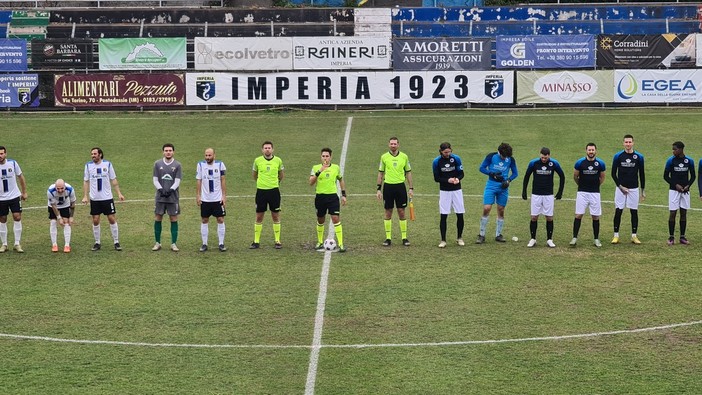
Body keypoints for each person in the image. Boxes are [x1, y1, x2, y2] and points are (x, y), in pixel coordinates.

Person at [82, 147, 125, 251]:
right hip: (95, 199)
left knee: (111, 218)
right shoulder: (88, 166)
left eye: (95, 154)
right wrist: (85, 195)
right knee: (95, 220)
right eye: (92, 154)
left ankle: (116, 241)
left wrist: (119, 193)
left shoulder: (108, 164)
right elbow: (86, 181)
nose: (93, 155)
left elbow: (113, 179)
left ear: (100, 154)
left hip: (107, 198)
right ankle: (97, 242)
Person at [521, 147, 565, 248]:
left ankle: (549, 239)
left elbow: (562, 176)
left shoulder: (554, 163)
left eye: (545, 158)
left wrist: (560, 191)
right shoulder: (533, 163)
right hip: (536, 194)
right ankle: (533, 239)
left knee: (549, 217)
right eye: (542, 157)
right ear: (540, 155)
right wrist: (524, 190)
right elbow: (526, 176)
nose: (544, 159)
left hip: (548, 194)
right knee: (534, 217)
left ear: (549, 155)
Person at [477, 142, 518, 244]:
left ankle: (498, 235)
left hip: (503, 187)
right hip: (491, 185)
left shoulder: (510, 159)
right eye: (503, 156)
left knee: (501, 210)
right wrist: (492, 174)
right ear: (499, 152)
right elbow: (481, 168)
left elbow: (515, 173)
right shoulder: (491, 156)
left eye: (507, 157)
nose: (505, 158)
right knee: (487, 208)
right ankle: (481, 235)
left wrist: (508, 180)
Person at [376, 137, 413, 247]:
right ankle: (388, 238)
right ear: (389, 145)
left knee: (401, 211)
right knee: (388, 212)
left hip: (400, 187)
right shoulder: (384, 157)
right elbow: (380, 173)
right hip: (388, 187)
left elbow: (408, 173)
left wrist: (411, 188)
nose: (393, 145)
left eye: (395, 144)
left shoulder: (404, 157)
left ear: (398, 145)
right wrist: (378, 189)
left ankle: (404, 238)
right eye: (391, 144)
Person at [310, 147, 346, 252]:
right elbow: (311, 182)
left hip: (332, 197)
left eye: (327, 156)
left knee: (335, 218)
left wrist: (344, 194)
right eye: (323, 156)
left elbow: (341, 180)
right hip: (320, 197)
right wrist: (319, 171)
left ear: (330, 157)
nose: (325, 158)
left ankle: (341, 244)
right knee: (320, 219)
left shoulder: (336, 168)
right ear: (321, 157)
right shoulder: (315, 167)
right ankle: (320, 241)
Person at [611, 134, 646, 245]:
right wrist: (620, 187)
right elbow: (613, 173)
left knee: (634, 211)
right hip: (620, 188)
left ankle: (634, 236)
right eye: (626, 142)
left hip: (634, 188)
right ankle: (616, 235)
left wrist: (642, 190)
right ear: (623, 143)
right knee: (618, 211)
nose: (628, 144)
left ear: (633, 143)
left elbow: (642, 174)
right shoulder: (618, 156)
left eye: (630, 142)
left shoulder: (639, 157)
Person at [571, 143, 606, 248]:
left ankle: (596, 239)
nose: (591, 152)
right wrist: (581, 185)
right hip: (582, 193)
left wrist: (596, 185)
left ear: (596, 151)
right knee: (578, 215)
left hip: (595, 193)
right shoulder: (580, 162)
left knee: (595, 216)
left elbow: (602, 177)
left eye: (592, 150)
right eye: (589, 150)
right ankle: (574, 238)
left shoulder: (600, 163)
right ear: (586, 151)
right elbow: (575, 176)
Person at [251, 141, 284, 249]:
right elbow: (254, 175)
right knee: (259, 216)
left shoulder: (278, 160)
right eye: (265, 148)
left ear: (272, 149)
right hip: (261, 191)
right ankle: (256, 241)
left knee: (275, 215)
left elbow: (281, 175)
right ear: (262, 150)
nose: (267, 149)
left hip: (274, 191)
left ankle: (277, 241)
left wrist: (275, 183)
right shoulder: (257, 161)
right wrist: (261, 182)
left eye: (269, 148)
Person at [432, 142, 465, 248]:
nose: (447, 154)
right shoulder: (436, 162)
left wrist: (457, 179)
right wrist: (448, 180)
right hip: (444, 191)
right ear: (441, 151)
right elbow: (437, 178)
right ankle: (443, 240)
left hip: (457, 190)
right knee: (444, 215)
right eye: (445, 152)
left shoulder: (456, 159)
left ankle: (459, 238)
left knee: (460, 214)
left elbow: (462, 173)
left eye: (449, 152)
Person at [152, 143, 182, 252]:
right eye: (166, 150)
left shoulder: (177, 165)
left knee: (173, 218)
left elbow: (177, 180)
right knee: (158, 217)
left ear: (173, 152)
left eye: (170, 150)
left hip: (172, 197)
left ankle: (173, 243)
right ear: (163, 152)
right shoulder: (157, 164)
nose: (168, 152)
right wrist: (160, 189)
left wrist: (171, 190)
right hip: (160, 197)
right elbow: (155, 179)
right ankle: (157, 243)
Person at [196, 148, 227, 252]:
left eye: (209, 155)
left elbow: (223, 180)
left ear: (214, 155)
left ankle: (221, 243)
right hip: (205, 199)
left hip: (217, 198)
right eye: (206, 155)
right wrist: (198, 195)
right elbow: (199, 180)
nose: (208, 157)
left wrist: (224, 196)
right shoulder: (200, 165)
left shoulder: (220, 164)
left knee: (220, 219)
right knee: (204, 220)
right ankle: (204, 244)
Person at [664, 141, 695, 245]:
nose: (673, 151)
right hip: (674, 191)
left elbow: (693, 176)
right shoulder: (670, 161)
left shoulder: (689, 161)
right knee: (673, 213)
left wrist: (688, 186)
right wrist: (675, 185)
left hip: (685, 192)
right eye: (673, 149)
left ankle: (682, 237)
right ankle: (671, 237)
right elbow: (665, 176)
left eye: (675, 149)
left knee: (683, 213)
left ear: (681, 149)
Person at [0, 146, 27, 253]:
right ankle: (4, 244)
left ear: (5, 154)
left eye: (2, 153)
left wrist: (24, 192)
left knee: (17, 216)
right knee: (2, 219)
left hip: (14, 196)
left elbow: (20, 177)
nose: (0, 156)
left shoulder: (13, 163)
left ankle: (17, 243)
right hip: (1, 198)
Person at [47, 179, 76, 253]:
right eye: (58, 188)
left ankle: (67, 245)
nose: (60, 190)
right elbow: (53, 206)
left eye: (62, 188)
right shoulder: (50, 191)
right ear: (55, 187)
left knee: (67, 222)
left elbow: (72, 204)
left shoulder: (70, 189)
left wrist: (71, 216)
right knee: (53, 222)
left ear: (65, 186)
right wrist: (59, 218)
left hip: (65, 205)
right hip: (53, 206)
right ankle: (54, 244)